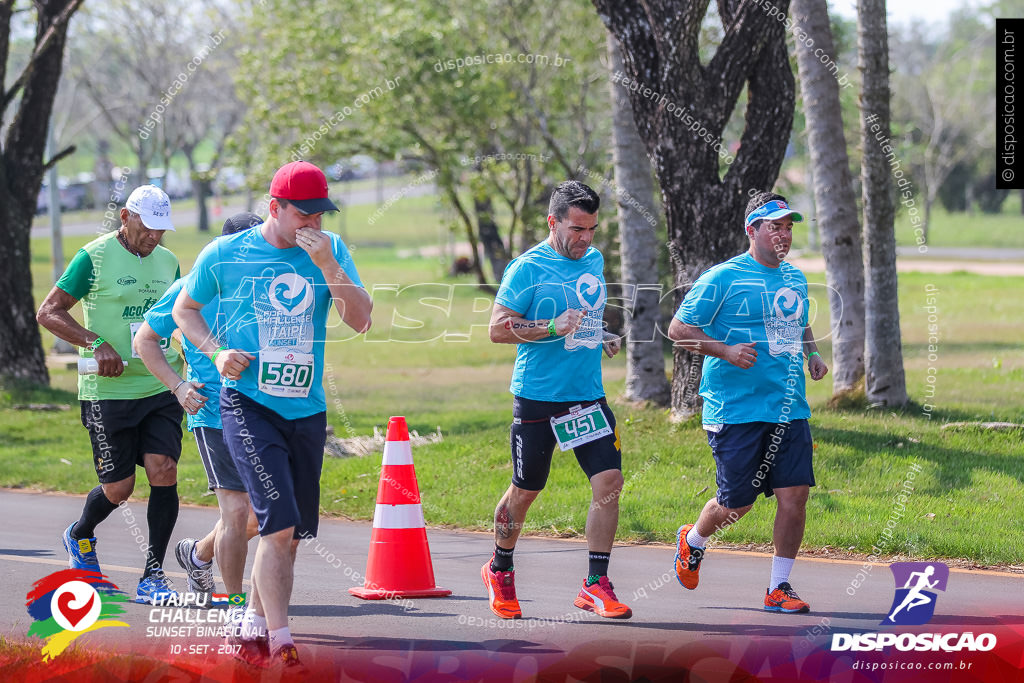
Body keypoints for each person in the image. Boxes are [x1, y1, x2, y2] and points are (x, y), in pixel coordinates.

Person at [173, 161, 372, 669]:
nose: (313, 226)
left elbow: (362, 319)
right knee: (276, 520)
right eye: (302, 216)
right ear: (275, 208)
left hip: (306, 409)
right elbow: (184, 311)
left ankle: (253, 625)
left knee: (291, 532)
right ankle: (282, 639)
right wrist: (216, 352)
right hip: (247, 405)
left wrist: (329, 265)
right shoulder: (226, 253)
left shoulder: (332, 252)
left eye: (321, 216)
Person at [667, 190, 829, 614]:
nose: (783, 234)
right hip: (735, 408)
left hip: (788, 406)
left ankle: (779, 586)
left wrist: (812, 353)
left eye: (788, 227)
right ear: (751, 230)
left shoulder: (794, 277)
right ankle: (694, 539)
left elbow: (799, 320)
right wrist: (725, 351)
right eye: (774, 226)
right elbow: (678, 329)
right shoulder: (723, 278)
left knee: (795, 497)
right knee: (737, 504)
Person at [483, 180, 630, 620]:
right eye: (577, 229)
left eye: (592, 229)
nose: (585, 239)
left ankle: (595, 584)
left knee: (609, 483)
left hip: (585, 396)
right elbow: (497, 329)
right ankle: (500, 568)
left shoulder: (594, 260)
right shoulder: (527, 268)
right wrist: (550, 327)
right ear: (553, 222)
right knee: (526, 491)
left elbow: (580, 316)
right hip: (538, 398)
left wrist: (597, 334)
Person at [36, 184, 184, 604]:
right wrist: (93, 341)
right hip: (107, 392)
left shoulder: (169, 262)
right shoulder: (93, 256)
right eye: (148, 227)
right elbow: (48, 311)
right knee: (119, 489)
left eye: (161, 230)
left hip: (159, 385)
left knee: (164, 470)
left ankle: (153, 576)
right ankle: (80, 534)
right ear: (125, 217)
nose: (154, 237)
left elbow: (179, 314)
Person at [133, 213, 262, 618]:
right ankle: (237, 606)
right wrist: (178, 386)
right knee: (237, 511)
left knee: (268, 513)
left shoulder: (268, 285)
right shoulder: (191, 287)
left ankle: (200, 554)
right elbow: (145, 340)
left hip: (266, 413)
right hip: (213, 413)